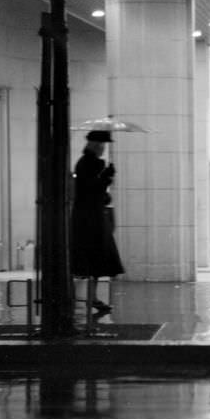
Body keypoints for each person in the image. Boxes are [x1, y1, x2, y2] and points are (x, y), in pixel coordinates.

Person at [70, 130, 124, 313]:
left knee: (92, 259)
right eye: (101, 146)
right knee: (94, 257)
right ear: (95, 145)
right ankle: (90, 298)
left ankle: (91, 297)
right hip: (91, 218)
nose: (103, 149)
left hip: (88, 216)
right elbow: (92, 190)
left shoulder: (87, 163)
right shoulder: (90, 164)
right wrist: (106, 177)